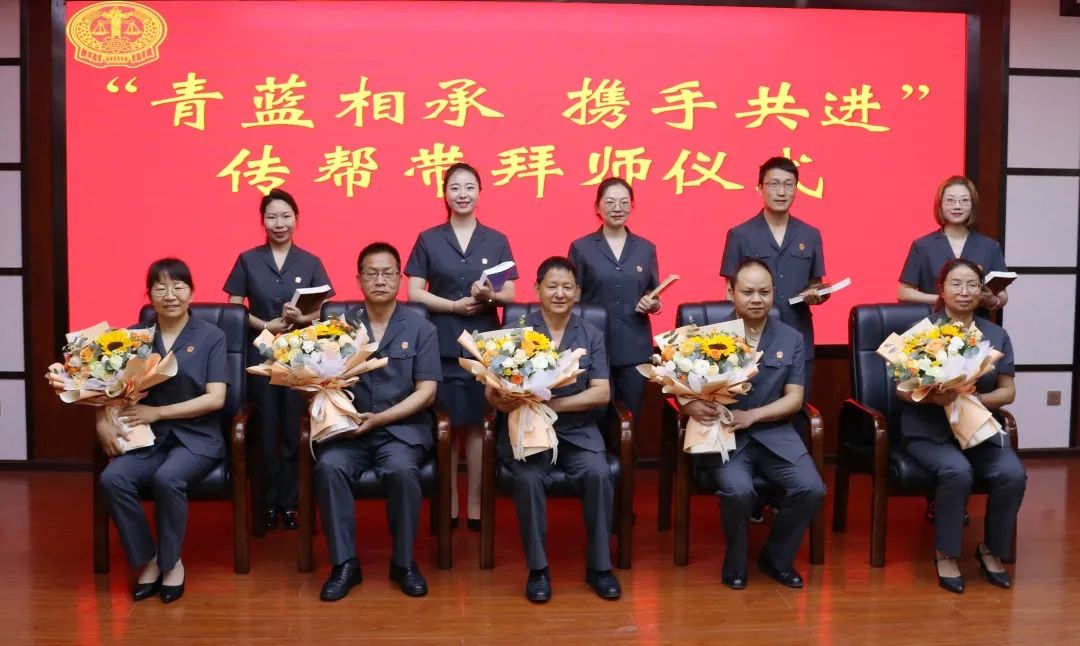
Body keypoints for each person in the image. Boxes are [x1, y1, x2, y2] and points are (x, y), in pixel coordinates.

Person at [680, 258, 825, 590]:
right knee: (739, 491)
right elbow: (681, 389)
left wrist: (753, 416)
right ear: (730, 292)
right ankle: (735, 560)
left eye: (764, 292)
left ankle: (776, 558)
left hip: (775, 434)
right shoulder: (707, 336)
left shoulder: (791, 338)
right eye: (748, 292)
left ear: (774, 293)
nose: (757, 299)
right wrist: (690, 405)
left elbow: (795, 399)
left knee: (812, 488)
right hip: (724, 435)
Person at [486, 256, 620, 603]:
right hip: (528, 430)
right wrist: (502, 398)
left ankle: (600, 567)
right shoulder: (515, 331)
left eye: (567, 287)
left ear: (578, 292)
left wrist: (554, 406)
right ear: (537, 289)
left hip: (577, 431)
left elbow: (601, 392)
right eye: (552, 286)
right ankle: (538, 569)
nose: (560, 293)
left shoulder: (591, 334)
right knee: (528, 479)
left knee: (598, 473)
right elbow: (492, 390)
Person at [315, 243, 442, 601]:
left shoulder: (421, 328)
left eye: (388, 273)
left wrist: (382, 418)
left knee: (403, 471)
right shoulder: (337, 327)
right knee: (328, 468)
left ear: (400, 279)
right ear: (358, 280)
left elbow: (427, 392)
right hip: (349, 431)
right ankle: (344, 564)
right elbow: (319, 382)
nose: (380, 280)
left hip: (400, 431)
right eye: (372, 274)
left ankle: (403, 563)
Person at [98, 258, 228, 603]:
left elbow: (216, 399)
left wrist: (157, 412)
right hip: (147, 437)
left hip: (197, 437)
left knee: (168, 479)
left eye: (178, 286)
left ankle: (172, 563)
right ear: (150, 295)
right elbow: (105, 388)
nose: (170, 295)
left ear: (192, 292)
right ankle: (150, 558)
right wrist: (101, 422)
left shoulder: (212, 336)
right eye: (160, 287)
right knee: (113, 479)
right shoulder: (133, 337)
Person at [897, 258, 1026, 594]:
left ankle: (991, 550)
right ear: (941, 289)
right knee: (956, 472)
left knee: (1012, 474)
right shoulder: (921, 331)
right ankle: (946, 553)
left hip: (977, 428)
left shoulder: (996, 334)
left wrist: (973, 399)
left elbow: (1008, 391)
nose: (965, 291)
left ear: (982, 291)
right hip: (928, 431)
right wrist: (933, 396)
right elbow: (901, 390)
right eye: (956, 284)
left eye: (972, 285)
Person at [406, 162, 517, 530]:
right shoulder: (428, 238)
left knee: (479, 425)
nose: (463, 194)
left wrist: (490, 296)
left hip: (484, 345)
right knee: (447, 424)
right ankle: (449, 502)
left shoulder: (497, 239)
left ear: (480, 193)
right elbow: (414, 291)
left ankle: (476, 504)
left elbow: (510, 292)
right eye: (455, 187)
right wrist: (453, 306)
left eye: (469, 187)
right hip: (440, 341)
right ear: (445, 194)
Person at [224, 188, 335, 531]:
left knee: (293, 429)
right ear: (262, 221)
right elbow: (233, 307)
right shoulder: (247, 259)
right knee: (265, 430)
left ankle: (291, 503)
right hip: (260, 356)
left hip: (301, 358)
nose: (279, 223)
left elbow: (325, 311)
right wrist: (264, 325)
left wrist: (303, 319)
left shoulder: (310, 261)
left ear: (296, 219)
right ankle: (266, 503)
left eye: (286, 216)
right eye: (272, 216)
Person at [720, 156, 827, 400]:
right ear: (760, 187)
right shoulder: (739, 234)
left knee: (797, 406)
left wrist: (818, 294)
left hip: (798, 333)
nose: (781, 192)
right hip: (748, 339)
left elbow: (816, 282)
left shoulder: (810, 235)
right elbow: (729, 291)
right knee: (745, 405)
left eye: (789, 185)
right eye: (774, 184)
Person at [568, 177, 661, 422]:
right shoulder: (581, 248)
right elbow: (573, 299)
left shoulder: (646, 248)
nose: (617, 208)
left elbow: (654, 294)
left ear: (632, 206)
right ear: (597, 207)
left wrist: (653, 304)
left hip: (635, 348)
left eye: (624, 202)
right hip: (593, 345)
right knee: (595, 416)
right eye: (610, 202)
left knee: (630, 419)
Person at [898, 176, 1009, 312]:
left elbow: (1002, 296)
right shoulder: (922, 246)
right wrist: (946, 299)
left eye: (964, 200)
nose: (957, 206)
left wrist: (991, 300)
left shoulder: (990, 246)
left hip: (977, 321)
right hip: (936, 321)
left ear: (973, 205)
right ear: (940, 205)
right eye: (950, 200)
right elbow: (903, 292)